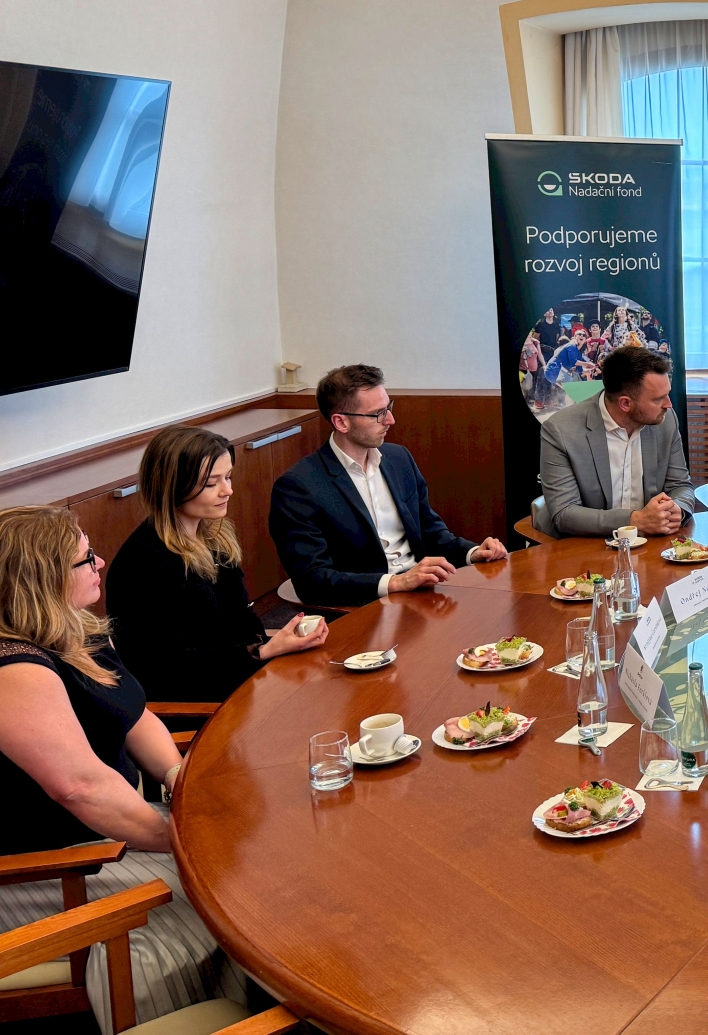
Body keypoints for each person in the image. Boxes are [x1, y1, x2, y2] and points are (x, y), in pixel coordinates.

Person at [0, 505, 249, 1029]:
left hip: (106, 833)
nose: (100, 562)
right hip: (45, 863)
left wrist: (178, 781)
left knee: (244, 863)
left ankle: (243, 1008)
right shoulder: (13, 670)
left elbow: (136, 716)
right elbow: (79, 788)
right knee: (212, 890)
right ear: (40, 580)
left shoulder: (79, 629)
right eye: (84, 558)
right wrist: (184, 838)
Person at [105, 427, 330, 701]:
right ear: (172, 487)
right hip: (195, 699)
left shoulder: (214, 536)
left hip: (238, 678)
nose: (228, 491)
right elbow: (169, 667)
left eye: (228, 477)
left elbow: (241, 619)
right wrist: (263, 651)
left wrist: (277, 641)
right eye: (211, 484)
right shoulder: (144, 563)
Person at [269, 364, 507, 608]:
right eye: (378, 414)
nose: (391, 420)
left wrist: (473, 552)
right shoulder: (298, 487)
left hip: (422, 593)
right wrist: (396, 582)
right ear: (341, 422)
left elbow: (431, 532)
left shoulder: (399, 459)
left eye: (388, 408)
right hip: (363, 605)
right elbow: (312, 580)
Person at [536, 345, 700, 537]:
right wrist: (634, 520)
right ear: (625, 403)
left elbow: (680, 485)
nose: (669, 405)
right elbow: (564, 513)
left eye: (667, 394)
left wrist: (678, 509)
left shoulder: (665, 420)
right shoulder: (561, 430)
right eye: (658, 399)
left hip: (651, 542)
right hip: (582, 544)